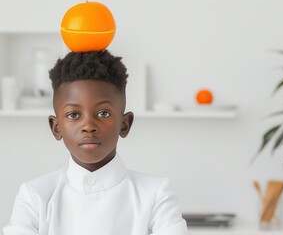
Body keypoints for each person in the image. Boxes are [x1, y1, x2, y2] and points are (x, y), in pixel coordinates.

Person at [3, 50, 189, 235]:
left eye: (103, 113)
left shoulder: (156, 194)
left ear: (124, 125)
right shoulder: (34, 196)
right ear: (56, 127)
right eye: (74, 115)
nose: (89, 126)